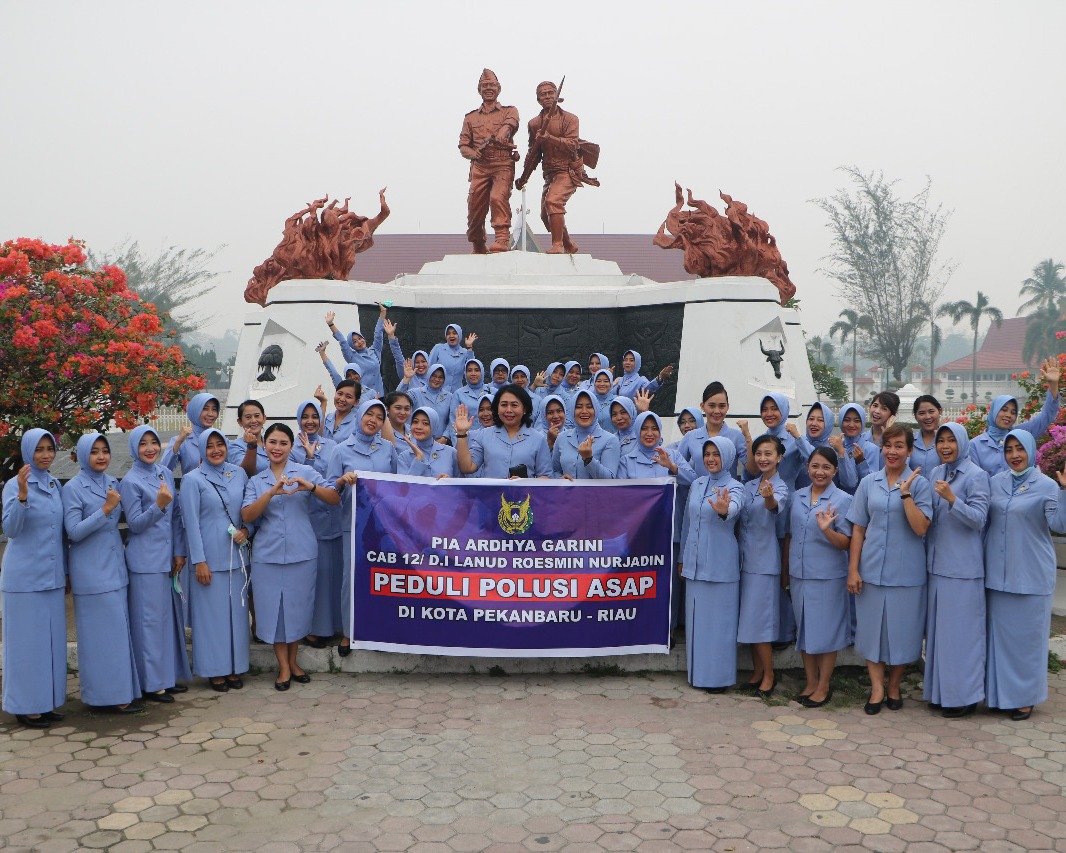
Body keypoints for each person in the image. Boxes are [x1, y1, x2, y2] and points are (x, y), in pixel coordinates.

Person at [242, 424, 340, 690]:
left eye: (283, 443)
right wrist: (271, 492)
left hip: (302, 553)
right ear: (264, 445)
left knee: (296, 611)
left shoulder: (305, 472)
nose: (277, 448)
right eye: (272, 442)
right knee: (274, 611)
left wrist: (310, 487)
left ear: (291, 446)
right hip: (268, 556)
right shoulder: (256, 481)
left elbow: (333, 497)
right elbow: (248, 515)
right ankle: (283, 667)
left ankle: (294, 662)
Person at [846, 424, 932, 715]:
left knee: (903, 633)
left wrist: (906, 496)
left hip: (906, 574)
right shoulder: (869, 482)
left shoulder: (920, 483)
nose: (892, 451)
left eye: (899, 446)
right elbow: (858, 528)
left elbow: (921, 528)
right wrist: (853, 570)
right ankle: (877, 687)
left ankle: (894, 685)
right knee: (871, 633)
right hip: (870, 572)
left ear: (909, 450)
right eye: (888, 445)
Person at [984, 429, 1066, 721]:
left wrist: (1065, 490)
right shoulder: (995, 482)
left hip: (1031, 576)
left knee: (1028, 642)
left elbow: (1060, 523)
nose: (1015, 455)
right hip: (997, 576)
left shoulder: (1046, 485)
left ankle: (1024, 698)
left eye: (1020, 449)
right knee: (1000, 642)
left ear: (1031, 451)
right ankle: (999, 695)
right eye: (1009, 449)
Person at [64, 433, 142, 713]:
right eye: (94, 451)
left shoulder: (112, 481)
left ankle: (122, 692)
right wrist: (105, 509)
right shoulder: (73, 488)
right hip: (92, 573)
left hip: (115, 569)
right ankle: (105, 697)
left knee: (118, 636)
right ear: (83, 455)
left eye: (105, 450)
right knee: (100, 639)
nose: (100, 456)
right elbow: (73, 531)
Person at [922, 422, 991, 718]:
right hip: (937, 567)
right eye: (941, 441)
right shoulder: (936, 473)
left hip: (963, 570)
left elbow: (979, 519)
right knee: (939, 636)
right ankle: (941, 692)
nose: (945, 446)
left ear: (962, 442)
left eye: (951, 440)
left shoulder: (977, 476)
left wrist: (953, 499)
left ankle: (964, 696)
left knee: (962, 637)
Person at [120, 425, 192, 704]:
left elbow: (175, 518)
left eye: (153, 442)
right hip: (145, 562)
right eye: (143, 444)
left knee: (167, 621)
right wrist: (158, 505)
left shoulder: (163, 472)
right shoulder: (130, 481)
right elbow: (135, 525)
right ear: (134, 448)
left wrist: (179, 551)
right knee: (149, 623)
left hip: (166, 560)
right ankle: (152, 683)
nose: (150, 448)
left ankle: (167, 676)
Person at [1, 430, 67, 728]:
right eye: (39, 450)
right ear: (28, 452)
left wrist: (65, 572)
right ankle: (25, 706)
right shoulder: (15, 485)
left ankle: (46, 701)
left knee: (49, 645)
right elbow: (11, 530)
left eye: (49, 449)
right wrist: (23, 496)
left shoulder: (54, 484)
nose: (45, 455)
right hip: (24, 579)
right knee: (26, 646)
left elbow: (59, 532)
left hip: (51, 578)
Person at [179, 429, 252, 692]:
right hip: (208, 561)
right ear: (201, 449)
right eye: (209, 446)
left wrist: (248, 531)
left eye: (220, 444)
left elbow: (247, 510)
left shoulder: (239, 473)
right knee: (211, 620)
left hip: (238, 558)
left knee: (236, 619)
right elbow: (191, 523)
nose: (216, 450)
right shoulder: (192, 480)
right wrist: (199, 561)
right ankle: (215, 671)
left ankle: (235, 667)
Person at [327, 399, 399, 656]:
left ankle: (379, 630)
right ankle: (349, 633)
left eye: (380, 417)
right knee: (352, 580)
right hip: (353, 525)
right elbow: (329, 489)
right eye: (369, 414)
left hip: (381, 528)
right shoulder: (341, 450)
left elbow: (397, 485)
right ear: (359, 415)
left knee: (381, 578)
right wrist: (341, 481)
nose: (373, 420)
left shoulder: (388, 449)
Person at [783, 447, 853, 708]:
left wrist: (827, 531)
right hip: (800, 575)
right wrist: (786, 572)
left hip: (827, 577)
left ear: (835, 470)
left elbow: (847, 542)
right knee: (805, 631)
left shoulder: (843, 500)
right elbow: (789, 536)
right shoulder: (797, 496)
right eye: (815, 466)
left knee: (826, 632)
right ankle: (810, 682)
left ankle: (824, 685)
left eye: (826, 467)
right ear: (807, 468)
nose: (819, 472)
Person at [678, 437, 744, 692]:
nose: (711, 459)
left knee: (719, 626)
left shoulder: (735, 486)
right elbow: (687, 522)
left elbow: (734, 508)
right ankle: (698, 676)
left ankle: (718, 679)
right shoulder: (697, 484)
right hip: (695, 566)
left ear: (727, 456)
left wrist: (724, 510)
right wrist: (683, 559)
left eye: (716, 454)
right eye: (707, 454)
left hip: (720, 567)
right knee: (698, 625)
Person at [515, 80, 598, 254]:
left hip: (567, 170)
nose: (547, 97)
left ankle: (558, 245)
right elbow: (534, 154)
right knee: (546, 215)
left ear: (557, 96)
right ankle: (569, 244)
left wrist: (550, 138)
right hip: (549, 173)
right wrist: (524, 178)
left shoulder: (570, 118)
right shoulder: (534, 123)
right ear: (538, 99)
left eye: (550, 93)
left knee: (553, 202)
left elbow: (572, 144)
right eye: (543, 94)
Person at [737, 435, 789, 697]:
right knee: (750, 621)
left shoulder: (779, 487)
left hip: (764, 564)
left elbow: (773, 507)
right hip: (745, 562)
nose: (763, 458)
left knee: (762, 623)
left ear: (779, 457)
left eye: (769, 454)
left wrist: (768, 498)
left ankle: (769, 675)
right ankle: (757, 672)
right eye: (759, 453)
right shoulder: (749, 485)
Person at [290, 399, 343, 649]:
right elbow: (295, 481)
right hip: (307, 520)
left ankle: (334, 626)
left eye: (315, 416)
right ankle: (314, 628)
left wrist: (315, 458)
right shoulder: (291, 449)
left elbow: (332, 481)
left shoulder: (333, 446)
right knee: (315, 577)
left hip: (332, 518)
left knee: (333, 575)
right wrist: (309, 459)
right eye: (305, 416)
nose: (310, 421)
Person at [459, 68, 519, 253]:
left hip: (502, 165)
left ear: (498, 88)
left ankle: (502, 239)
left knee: (497, 197)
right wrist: (474, 154)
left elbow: (511, 123)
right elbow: (463, 145)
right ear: (479, 90)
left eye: (492, 85)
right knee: (475, 208)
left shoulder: (509, 111)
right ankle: (478, 242)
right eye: (485, 86)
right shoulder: (470, 118)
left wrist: (503, 132)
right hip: (480, 166)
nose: (488, 88)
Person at [969, 358, 1061, 475]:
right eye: (1004, 410)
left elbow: (1047, 416)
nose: (1008, 415)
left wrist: (1053, 385)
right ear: (993, 411)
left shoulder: (1023, 433)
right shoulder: (975, 445)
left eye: (1013, 412)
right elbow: (975, 480)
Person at [454, 384, 551, 478]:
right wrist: (461, 433)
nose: (508, 410)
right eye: (504, 405)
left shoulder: (538, 439)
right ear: (497, 408)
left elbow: (545, 475)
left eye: (514, 405)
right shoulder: (484, 435)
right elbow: (467, 467)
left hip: (525, 494)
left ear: (524, 409)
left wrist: (524, 484)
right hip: (492, 494)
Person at [676, 382, 747, 479]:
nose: (717, 411)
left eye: (722, 406)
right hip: (699, 493)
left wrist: (747, 436)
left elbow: (752, 470)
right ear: (702, 406)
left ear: (727, 407)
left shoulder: (737, 436)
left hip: (728, 493)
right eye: (712, 406)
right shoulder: (690, 437)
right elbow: (678, 468)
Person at [551, 390, 620, 479]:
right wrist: (560, 479)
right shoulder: (562, 438)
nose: (584, 411)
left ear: (596, 409)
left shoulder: (610, 440)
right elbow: (554, 470)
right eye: (579, 407)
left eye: (589, 407)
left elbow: (609, 479)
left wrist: (588, 459)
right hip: (566, 493)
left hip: (594, 493)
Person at [738, 393, 802, 487]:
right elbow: (748, 476)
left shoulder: (796, 441)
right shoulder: (757, 442)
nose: (769, 414)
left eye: (774, 409)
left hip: (786, 499)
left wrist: (799, 438)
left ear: (784, 409)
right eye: (764, 410)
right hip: (759, 498)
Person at [325, 304, 387, 396]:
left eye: (360, 338)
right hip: (363, 397)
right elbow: (342, 341)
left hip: (380, 396)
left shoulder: (374, 351)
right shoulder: (352, 356)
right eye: (355, 341)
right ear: (352, 345)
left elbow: (378, 333)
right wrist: (331, 324)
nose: (359, 342)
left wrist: (383, 313)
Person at [162, 393, 221, 474]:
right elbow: (164, 469)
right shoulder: (182, 440)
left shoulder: (221, 439)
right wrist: (179, 442)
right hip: (192, 486)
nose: (210, 414)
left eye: (214, 409)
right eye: (205, 409)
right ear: (195, 410)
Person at [828, 404, 878, 493]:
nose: (851, 425)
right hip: (838, 502)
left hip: (861, 503)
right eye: (847, 420)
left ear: (862, 423)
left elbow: (872, 484)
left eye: (857, 421)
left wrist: (861, 463)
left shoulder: (871, 449)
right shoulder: (835, 447)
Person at [399, 406, 460, 478]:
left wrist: (448, 482)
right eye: (415, 422)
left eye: (425, 423)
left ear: (434, 426)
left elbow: (460, 484)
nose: (418, 427)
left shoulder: (450, 452)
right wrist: (418, 459)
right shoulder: (404, 456)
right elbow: (403, 488)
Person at [793, 403, 835, 490]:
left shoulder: (833, 448)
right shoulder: (797, 444)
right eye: (811, 419)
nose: (814, 423)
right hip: (799, 500)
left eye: (820, 420)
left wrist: (798, 438)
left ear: (828, 424)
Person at [428, 323, 478, 392]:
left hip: (457, 393)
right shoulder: (438, 348)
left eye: (454, 333)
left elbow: (472, 369)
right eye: (448, 333)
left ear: (459, 335)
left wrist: (469, 347)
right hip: (438, 392)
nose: (451, 336)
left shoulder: (465, 352)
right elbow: (429, 368)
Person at [229, 399, 269, 476]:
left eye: (257, 416)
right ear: (240, 422)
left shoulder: (271, 443)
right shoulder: (235, 447)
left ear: (264, 418)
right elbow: (244, 472)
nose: (253, 420)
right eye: (248, 417)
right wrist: (251, 446)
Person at [910, 395, 943, 480]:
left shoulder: (949, 442)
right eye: (921, 413)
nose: (927, 417)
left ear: (939, 411)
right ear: (915, 416)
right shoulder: (909, 441)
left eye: (931, 411)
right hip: (914, 492)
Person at [322, 379, 362, 443]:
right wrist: (323, 402)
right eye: (340, 394)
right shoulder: (327, 418)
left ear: (356, 402)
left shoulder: (358, 425)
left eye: (348, 397)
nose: (342, 399)